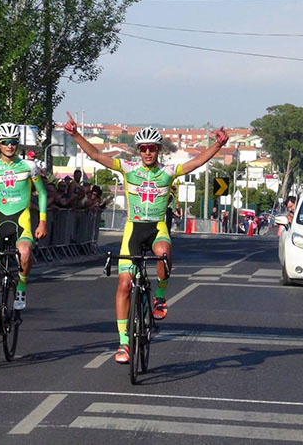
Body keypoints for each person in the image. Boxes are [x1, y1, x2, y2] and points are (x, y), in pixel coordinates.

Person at [64, 113, 229, 364]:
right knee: (123, 284)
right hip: (134, 229)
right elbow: (97, 156)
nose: (148, 153)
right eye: (144, 149)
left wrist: (217, 145)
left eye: (152, 148)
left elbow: (195, 163)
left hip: (157, 227)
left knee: (163, 253)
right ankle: (123, 344)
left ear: (158, 150)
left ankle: (160, 297)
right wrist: (76, 135)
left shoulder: (168, 171)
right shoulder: (128, 169)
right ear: (139, 151)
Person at [0, 123, 48, 348]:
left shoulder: (29, 167)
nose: (10, 146)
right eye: (5, 142)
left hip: (21, 219)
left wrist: (42, 221)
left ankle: (21, 288)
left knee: (24, 252)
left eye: (13, 142)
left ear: (18, 144)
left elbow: (41, 193)